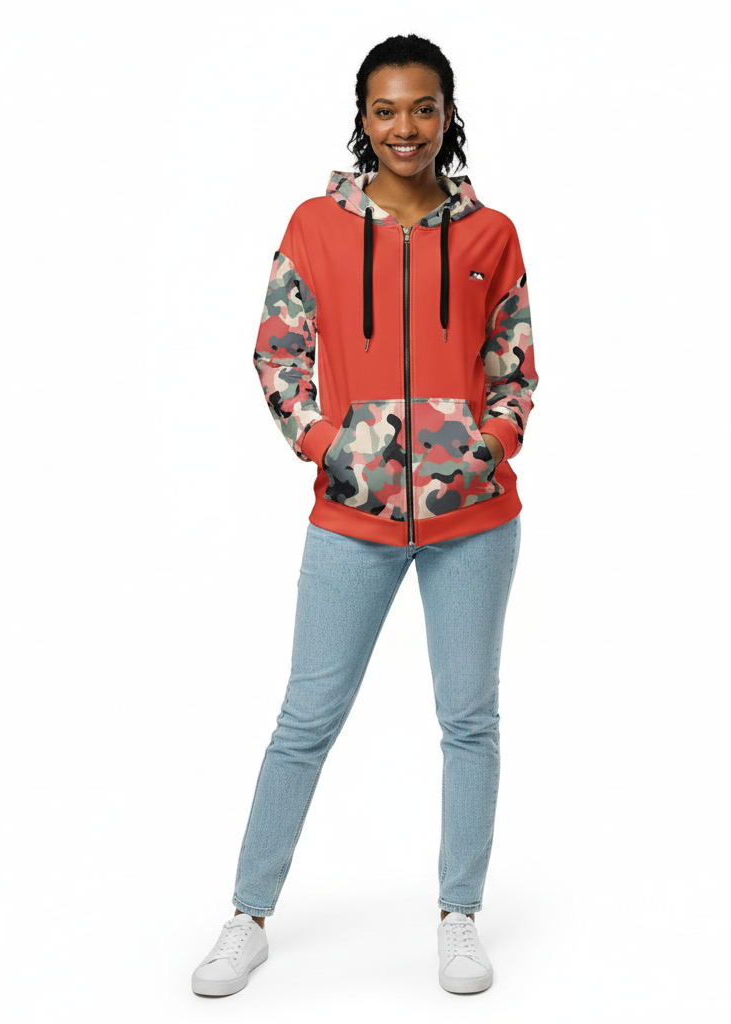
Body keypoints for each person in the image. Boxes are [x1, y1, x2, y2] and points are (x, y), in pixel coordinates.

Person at [191, 32, 538, 997]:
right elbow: (277, 352)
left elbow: (515, 366)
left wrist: (488, 446)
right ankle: (248, 916)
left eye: (423, 107)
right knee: (305, 719)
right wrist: (327, 447)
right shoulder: (315, 225)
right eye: (386, 110)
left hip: (474, 520)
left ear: (448, 114)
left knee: (469, 720)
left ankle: (459, 916)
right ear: (363, 118)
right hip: (351, 518)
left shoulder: (491, 233)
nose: (405, 127)